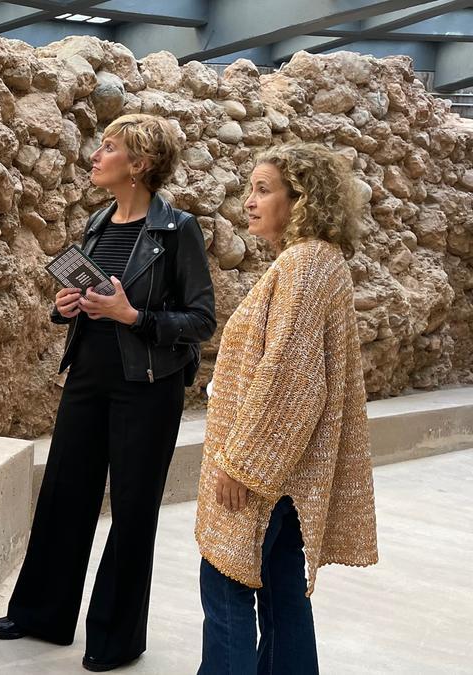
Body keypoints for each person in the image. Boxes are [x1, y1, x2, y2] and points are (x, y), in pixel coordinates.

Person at [0, 113, 216, 672]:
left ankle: (114, 637)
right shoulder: (97, 222)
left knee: (133, 509)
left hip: (147, 386)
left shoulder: (176, 229)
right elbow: (88, 299)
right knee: (65, 492)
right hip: (88, 375)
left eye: (108, 147)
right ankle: (42, 612)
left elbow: (201, 319)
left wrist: (133, 314)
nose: (96, 154)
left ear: (138, 165)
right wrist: (66, 307)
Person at [195, 142, 378, 675]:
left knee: (225, 586)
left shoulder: (301, 266)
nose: (249, 201)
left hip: (265, 468)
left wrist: (244, 464)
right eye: (250, 188)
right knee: (281, 592)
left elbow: (293, 381)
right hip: (292, 469)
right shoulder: (322, 262)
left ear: (301, 200)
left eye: (263, 189)